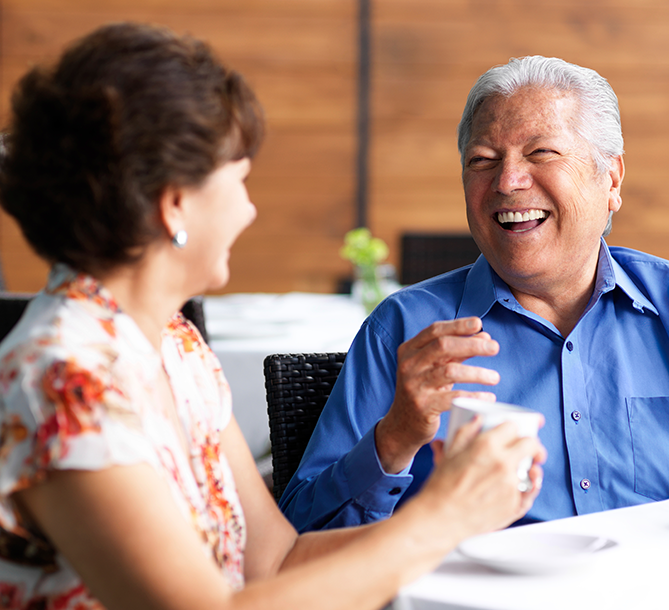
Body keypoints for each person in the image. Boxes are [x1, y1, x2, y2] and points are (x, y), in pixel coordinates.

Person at [0, 23, 545, 610]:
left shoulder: (175, 346)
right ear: (174, 204)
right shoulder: (63, 377)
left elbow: (273, 561)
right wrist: (441, 516)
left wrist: (465, 524)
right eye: (239, 180)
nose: (249, 208)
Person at [281, 54, 669, 533]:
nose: (507, 182)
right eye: (482, 161)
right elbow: (298, 540)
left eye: (541, 153)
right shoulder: (405, 329)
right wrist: (394, 438)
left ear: (610, 178)